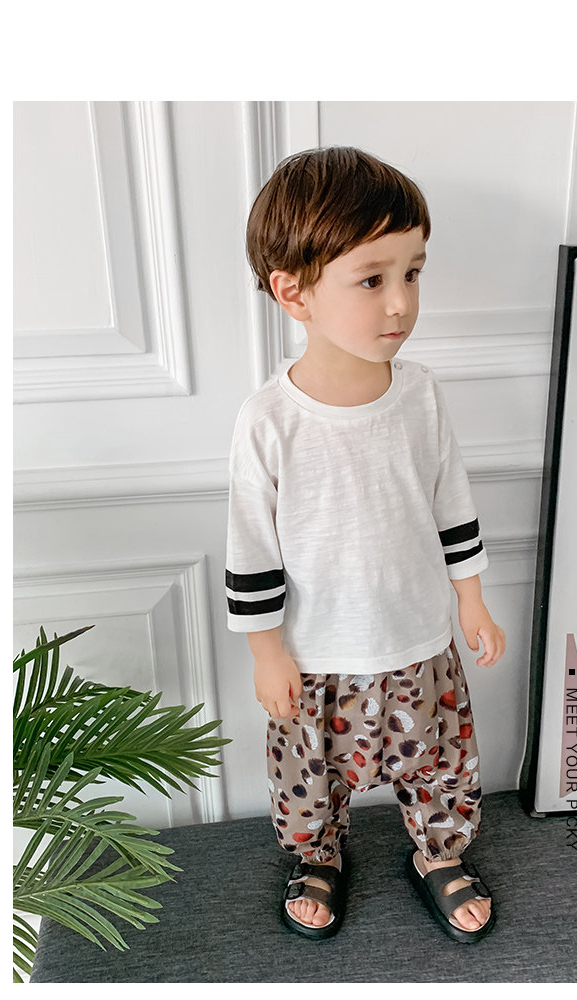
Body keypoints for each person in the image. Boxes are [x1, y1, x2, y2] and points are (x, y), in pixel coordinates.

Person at [226, 146, 505, 943]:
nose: (401, 303)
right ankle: (317, 858)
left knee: (439, 763)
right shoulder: (269, 421)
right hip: (317, 655)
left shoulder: (421, 396)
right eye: (372, 279)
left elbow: (451, 503)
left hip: (419, 641)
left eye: (413, 273)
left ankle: (439, 853)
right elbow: (251, 551)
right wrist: (266, 654)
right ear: (293, 291)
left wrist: (472, 601)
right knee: (310, 777)